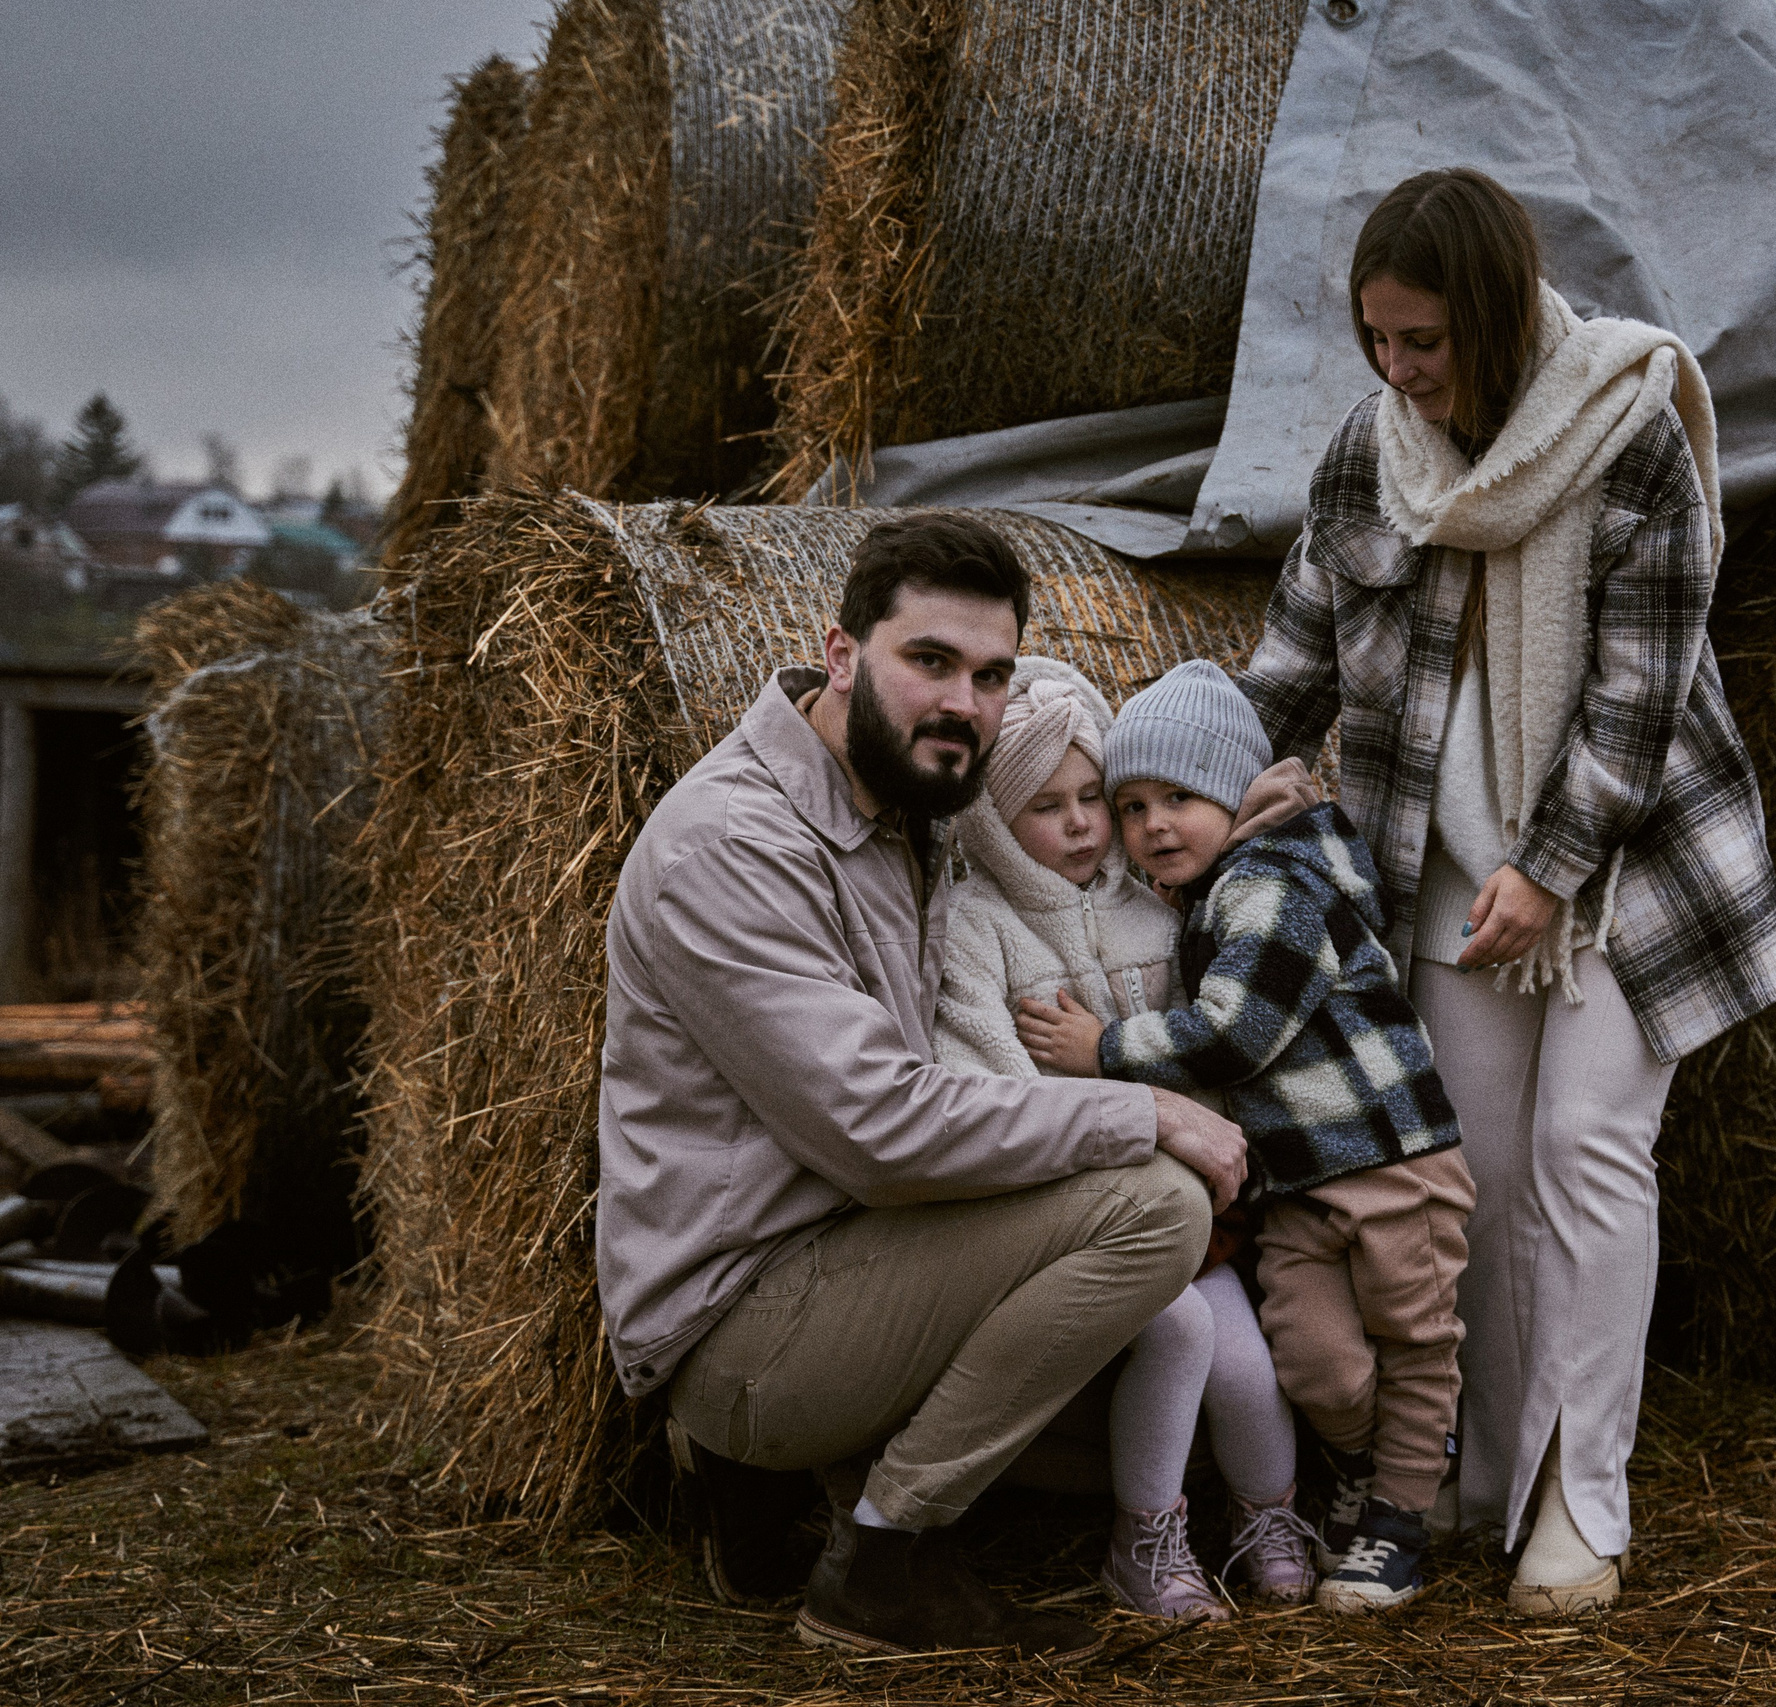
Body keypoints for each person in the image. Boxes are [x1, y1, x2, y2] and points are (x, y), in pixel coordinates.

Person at [1237, 169, 1776, 1614]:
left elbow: (1642, 692)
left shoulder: (1627, 431)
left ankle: (1580, 1499)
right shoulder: (1377, 457)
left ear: (1489, 319)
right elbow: (1295, 649)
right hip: (1441, 868)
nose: (1397, 369)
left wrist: (1551, 872)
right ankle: (1477, 1472)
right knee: (1471, 1181)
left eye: (1422, 340)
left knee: (1583, 1153)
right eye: (1377, 337)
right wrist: (1208, 789)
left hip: (1627, 870)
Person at [594, 514, 1250, 1660]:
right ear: (843, 655)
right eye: (929, 662)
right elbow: (882, 1132)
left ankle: (786, 1499)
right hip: (743, 1323)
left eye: (990, 676)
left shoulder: (908, 808)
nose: (963, 702)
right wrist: (1145, 1106)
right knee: (1155, 1205)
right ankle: (879, 1563)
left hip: (861, 1262)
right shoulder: (732, 846)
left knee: (1157, 1429)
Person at [1018, 660, 1476, 1615]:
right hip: (1301, 1181)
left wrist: (1103, 1047)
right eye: (1131, 803)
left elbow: (1233, 1033)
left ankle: (1398, 1519)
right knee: (1314, 1358)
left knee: (1416, 1335)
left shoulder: (1274, 881)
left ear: (1232, 790)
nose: (1150, 827)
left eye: (1178, 797)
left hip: (1393, 1159)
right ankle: (1372, 1463)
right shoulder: (1216, 891)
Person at [930, 655, 1316, 1619]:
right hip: (1078, 1218)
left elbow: (1215, 1050)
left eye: (1092, 797)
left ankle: (1268, 1516)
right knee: (1179, 1331)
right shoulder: (976, 929)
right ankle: (1145, 1539)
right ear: (989, 820)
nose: (1081, 825)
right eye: (1043, 806)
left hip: (1193, 1208)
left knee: (1246, 1362)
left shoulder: (1159, 907)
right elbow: (989, 1088)